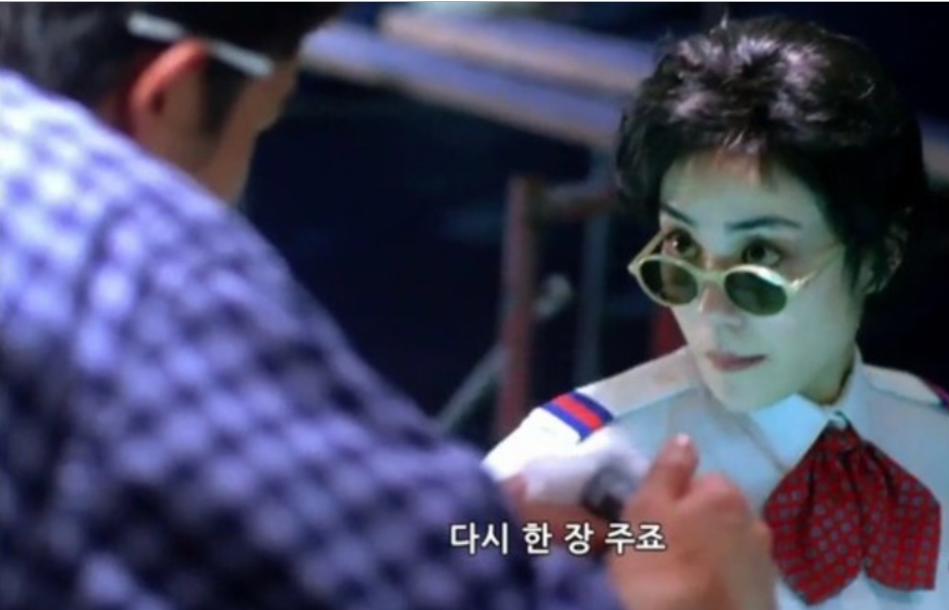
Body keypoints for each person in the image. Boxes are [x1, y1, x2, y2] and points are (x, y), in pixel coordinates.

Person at [0, 5, 777, 610]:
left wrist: (452, 531)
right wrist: (677, 580)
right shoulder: (132, 263)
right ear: (172, 95)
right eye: (263, 122)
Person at [486, 16, 949, 610]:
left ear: (878, 258)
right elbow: (454, 546)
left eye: (762, 255)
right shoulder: (569, 470)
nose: (710, 310)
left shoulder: (937, 438)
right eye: (682, 246)